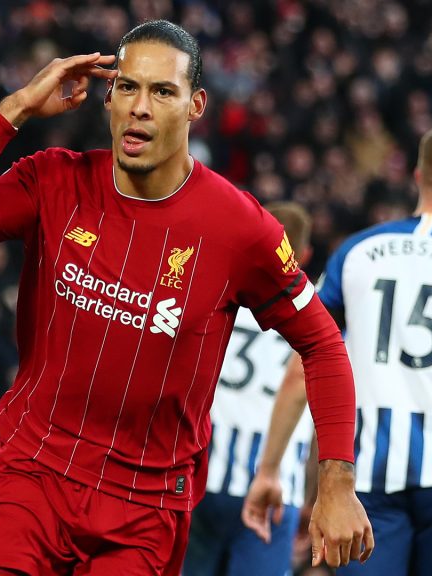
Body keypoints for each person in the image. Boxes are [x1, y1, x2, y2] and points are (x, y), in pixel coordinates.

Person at [0, 19, 373, 576]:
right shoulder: (55, 181)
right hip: (32, 474)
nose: (140, 107)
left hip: (144, 507)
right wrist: (18, 109)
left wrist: (337, 480)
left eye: (162, 91)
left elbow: (322, 344)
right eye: (127, 87)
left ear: (196, 105)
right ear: (108, 96)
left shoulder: (240, 229)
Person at [243, 123, 432, 575]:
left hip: (365, 474)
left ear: (419, 177)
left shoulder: (357, 252)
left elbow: (303, 364)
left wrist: (268, 470)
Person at [182, 201, 318, 576]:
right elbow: (325, 412)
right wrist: (315, 495)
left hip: (200, 476)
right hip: (275, 487)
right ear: (303, 255)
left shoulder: (210, 290)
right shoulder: (316, 315)